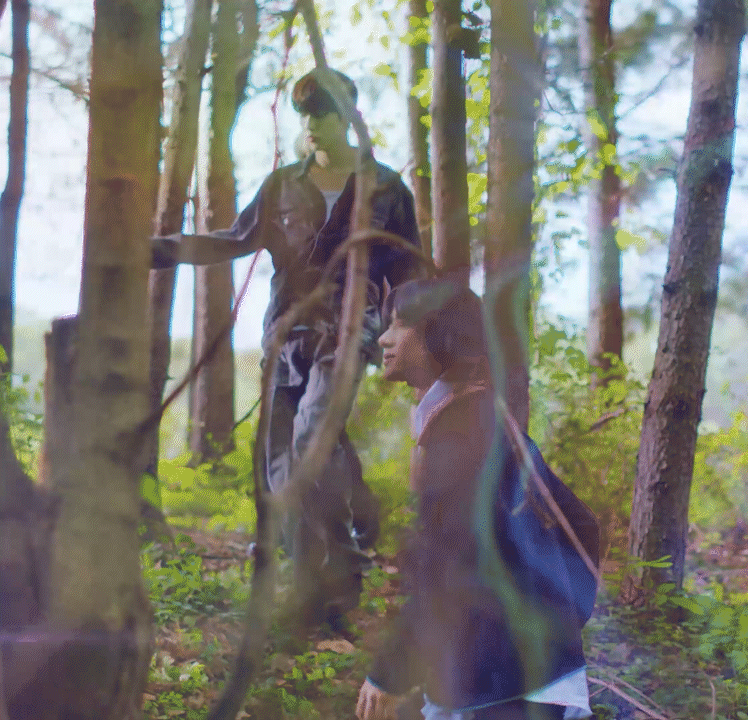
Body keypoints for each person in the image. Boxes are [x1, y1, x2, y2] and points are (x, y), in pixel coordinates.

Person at [152, 68, 423, 633]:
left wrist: (407, 335)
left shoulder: (385, 187)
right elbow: (233, 240)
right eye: (304, 114)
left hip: (349, 334)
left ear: (347, 116)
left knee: (310, 439)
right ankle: (320, 579)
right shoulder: (282, 186)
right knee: (282, 473)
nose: (311, 124)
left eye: (322, 112)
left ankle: (337, 573)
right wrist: (163, 249)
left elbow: (408, 271)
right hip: (285, 336)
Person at [356, 277, 600, 720]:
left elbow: (444, 568)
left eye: (399, 324)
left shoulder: (459, 437)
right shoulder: (483, 419)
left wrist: (389, 673)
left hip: (499, 691)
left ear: (438, 334)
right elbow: (583, 526)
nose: (384, 338)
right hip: (526, 681)